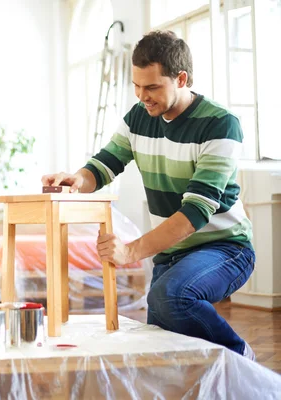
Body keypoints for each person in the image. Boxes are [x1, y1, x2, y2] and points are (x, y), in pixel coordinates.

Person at [42, 30, 256, 360]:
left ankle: (239, 359)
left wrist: (130, 251)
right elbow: (102, 166)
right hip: (172, 254)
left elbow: (194, 214)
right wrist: (76, 180)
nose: (143, 96)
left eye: (153, 87)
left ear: (181, 78)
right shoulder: (139, 117)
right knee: (161, 347)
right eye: (137, 86)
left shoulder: (220, 124)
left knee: (169, 297)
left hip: (225, 248)